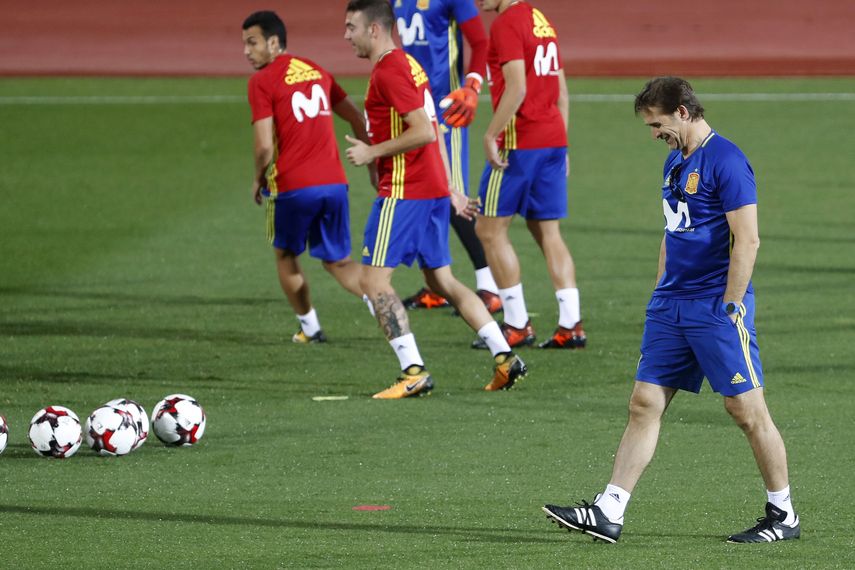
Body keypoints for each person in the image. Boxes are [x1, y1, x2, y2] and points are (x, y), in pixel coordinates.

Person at [543, 77, 801, 544]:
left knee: (745, 409)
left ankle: (783, 514)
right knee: (643, 403)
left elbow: (748, 239)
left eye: (657, 123)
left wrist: (730, 305)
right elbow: (673, 230)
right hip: (671, 306)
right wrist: (660, 290)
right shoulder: (673, 161)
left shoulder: (727, 160)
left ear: (683, 111)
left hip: (714, 305)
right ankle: (609, 511)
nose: (653, 133)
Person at [343, 0, 527, 398]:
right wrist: (449, 190)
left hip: (404, 191)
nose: (346, 36)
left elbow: (425, 130)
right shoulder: (411, 65)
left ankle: (413, 370)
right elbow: (440, 131)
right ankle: (505, 357)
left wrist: (371, 153)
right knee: (441, 279)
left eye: (351, 27)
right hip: (428, 191)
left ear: (374, 29)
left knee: (373, 281)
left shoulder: (390, 70)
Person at [242, 11, 374, 344]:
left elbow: (263, 146)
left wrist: (259, 178)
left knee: (286, 254)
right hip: (334, 183)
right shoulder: (317, 71)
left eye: (252, 42)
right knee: (339, 262)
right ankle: (383, 301)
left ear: (274, 43)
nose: (246, 51)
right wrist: (372, 161)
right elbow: (357, 118)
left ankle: (310, 328)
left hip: (292, 187)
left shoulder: (262, 81)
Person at [472, 0, 586, 350]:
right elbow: (562, 92)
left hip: (520, 142)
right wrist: (561, 144)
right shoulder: (542, 22)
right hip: (552, 138)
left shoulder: (507, 23)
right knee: (548, 232)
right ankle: (571, 324)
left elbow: (517, 87)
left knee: (489, 229)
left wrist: (491, 133)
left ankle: (516, 323)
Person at [391, 0, 502, 315]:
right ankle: (437, 285)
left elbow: (480, 41)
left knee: (454, 198)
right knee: (429, 194)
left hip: (446, 108)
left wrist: (472, 85)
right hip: (413, 108)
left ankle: (490, 287)